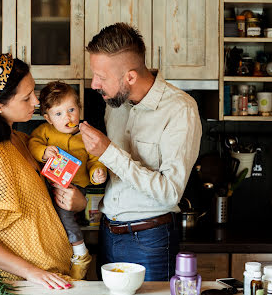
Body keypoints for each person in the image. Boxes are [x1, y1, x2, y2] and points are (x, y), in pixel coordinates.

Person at [0, 54, 88, 290]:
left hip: (52, 279)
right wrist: (32, 272)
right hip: (17, 285)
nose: (36, 102)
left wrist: (78, 202)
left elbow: (49, 205)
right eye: (26, 98)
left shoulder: (24, 142)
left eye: (34, 92)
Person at [79, 22, 202, 281]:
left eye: (101, 77)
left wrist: (109, 152)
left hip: (150, 240)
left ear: (130, 77)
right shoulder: (115, 102)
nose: (93, 84)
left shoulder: (180, 110)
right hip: (108, 233)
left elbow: (170, 193)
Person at [28, 81, 107, 279]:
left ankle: (80, 251)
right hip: (49, 182)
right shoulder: (44, 132)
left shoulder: (87, 135)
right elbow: (32, 144)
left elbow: (95, 160)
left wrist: (97, 173)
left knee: (64, 214)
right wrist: (44, 152)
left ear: (80, 108)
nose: (68, 117)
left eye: (71, 109)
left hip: (75, 186)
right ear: (47, 118)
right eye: (59, 114)